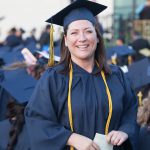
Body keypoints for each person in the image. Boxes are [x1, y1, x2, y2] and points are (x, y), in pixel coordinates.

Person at [25, 1, 139, 150]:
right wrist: (70, 138)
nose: (82, 38)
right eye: (74, 33)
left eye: (88, 31)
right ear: (66, 40)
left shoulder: (116, 76)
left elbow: (130, 111)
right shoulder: (53, 79)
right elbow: (37, 120)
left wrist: (125, 131)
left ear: (97, 37)